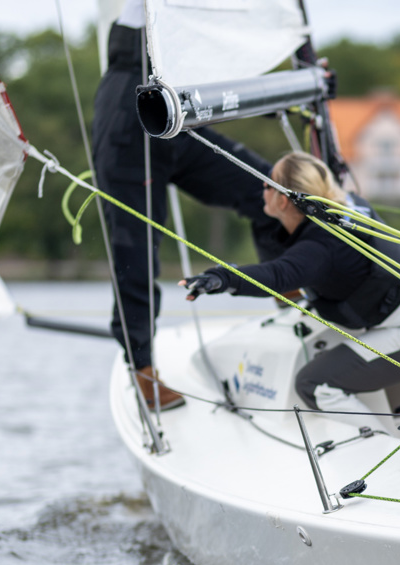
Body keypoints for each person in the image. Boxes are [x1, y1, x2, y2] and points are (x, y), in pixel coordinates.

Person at [92, 0, 287, 411]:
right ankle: (142, 368)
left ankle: (292, 299)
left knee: (274, 194)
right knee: (135, 250)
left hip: (179, 103)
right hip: (129, 111)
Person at [180, 152, 400, 429]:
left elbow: (278, 275)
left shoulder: (323, 247)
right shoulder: (347, 205)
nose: (261, 188)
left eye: (267, 184)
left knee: (313, 384)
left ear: (282, 200)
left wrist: (221, 278)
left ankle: (382, 445)